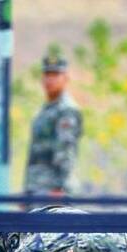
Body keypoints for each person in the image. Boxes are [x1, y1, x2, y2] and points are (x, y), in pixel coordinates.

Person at [24, 55, 83, 197]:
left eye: (55, 75)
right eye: (47, 75)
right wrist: (26, 192)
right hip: (37, 187)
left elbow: (65, 150)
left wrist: (60, 188)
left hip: (53, 191)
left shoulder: (66, 110)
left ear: (66, 78)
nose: (50, 80)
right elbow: (35, 154)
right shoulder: (45, 109)